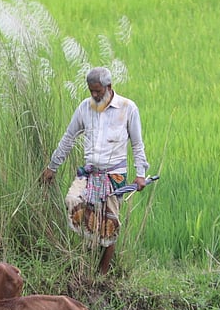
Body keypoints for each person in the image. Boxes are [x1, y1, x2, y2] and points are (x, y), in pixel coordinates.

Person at [40, 67, 149, 275]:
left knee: (109, 223)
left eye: (98, 91)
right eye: (91, 91)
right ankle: (87, 257)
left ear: (109, 87)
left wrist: (140, 174)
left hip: (114, 175)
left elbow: (137, 144)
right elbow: (68, 138)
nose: (95, 95)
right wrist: (52, 167)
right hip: (89, 173)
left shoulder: (128, 108)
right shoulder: (84, 108)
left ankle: (103, 272)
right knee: (73, 202)